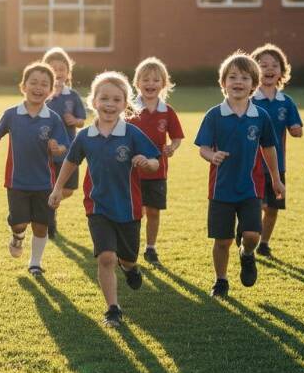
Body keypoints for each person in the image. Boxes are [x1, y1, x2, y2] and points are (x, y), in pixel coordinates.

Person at [50, 71, 160, 327]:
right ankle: (113, 308)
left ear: (125, 104)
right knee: (106, 257)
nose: (110, 104)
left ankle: (131, 268)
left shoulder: (131, 134)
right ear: (94, 101)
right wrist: (57, 189)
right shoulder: (85, 136)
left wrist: (147, 163)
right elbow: (70, 161)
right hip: (97, 206)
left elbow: (155, 162)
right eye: (104, 98)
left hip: (129, 209)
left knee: (127, 258)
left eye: (117, 99)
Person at [194, 52, 283, 298]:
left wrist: (276, 179)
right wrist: (211, 156)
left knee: (252, 235)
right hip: (220, 189)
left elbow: (269, 148)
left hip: (250, 188)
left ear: (254, 85)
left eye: (244, 78)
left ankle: (246, 254)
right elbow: (202, 147)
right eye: (232, 77)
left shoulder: (260, 116)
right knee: (222, 241)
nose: (238, 82)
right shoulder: (214, 115)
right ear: (223, 83)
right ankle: (221, 280)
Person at [0, 62, 69, 276]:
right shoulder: (11, 114)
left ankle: (35, 263)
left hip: (44, 183)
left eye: (44, 84)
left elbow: (64, 148)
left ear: (50, 91)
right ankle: (17, 236)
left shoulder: (53, 118)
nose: (38, 87)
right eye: (33, 82)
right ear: (23, 86)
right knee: (20, 223)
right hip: (17, 182)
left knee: (41, 225)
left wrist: (57, 147)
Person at [129, 57, 184, 265]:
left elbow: (177, 137)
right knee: (134, 212)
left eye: (155, 80)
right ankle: (129, 247)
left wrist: (172, 147)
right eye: (145, 80)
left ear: (163, 84)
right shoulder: (129, 110)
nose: (150, 84)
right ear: (137, 83)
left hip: (157, 172)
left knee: (153, 211)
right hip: (131, 172)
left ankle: (150, 248)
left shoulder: (167, 111)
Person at [249, 44, 302, 256]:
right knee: (255, 206)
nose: (269, 69)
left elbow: (295, 127)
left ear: (281, 71)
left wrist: (296, 129)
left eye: (274, 65)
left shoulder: (286, 102)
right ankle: (248, 238)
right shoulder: (249, 100)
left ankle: (264, 243)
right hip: (252, 165)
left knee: (272, 208)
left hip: (277, 166)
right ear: (253, 70)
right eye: (263, 65)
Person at [42, 47, 86, 239]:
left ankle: (52, 204)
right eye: (53, 69)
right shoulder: (43, 94)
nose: (58, 72)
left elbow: (83, 120)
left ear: (68, 72)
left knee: (67, 189)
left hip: (70, 148)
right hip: (48, 150)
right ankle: (49, 221)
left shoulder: (73, 96)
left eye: (62, 68)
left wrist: (74, 121)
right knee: (50, 185)